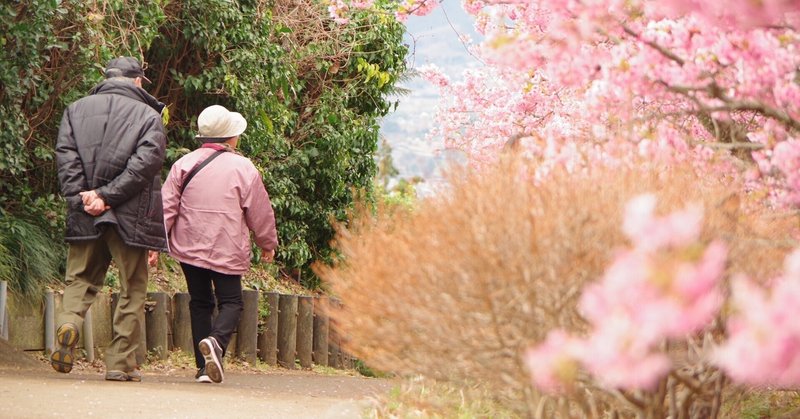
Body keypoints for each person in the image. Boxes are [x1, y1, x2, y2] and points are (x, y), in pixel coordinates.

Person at [51, 56, 168, 382]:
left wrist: (82, 197)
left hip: (86, 211)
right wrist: (109, 196)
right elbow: (145, 164)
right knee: (132, 287)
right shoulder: (149, 116)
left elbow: (66, 156)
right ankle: (119, 362)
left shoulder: (75, 109)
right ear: (138, 81)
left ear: (106, 77)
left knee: (80, 279)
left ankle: (69, 323)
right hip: (130, 215)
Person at [155, 105, 278, 384]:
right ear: (232, 138)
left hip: (189, 246)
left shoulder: (183, 164)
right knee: (232, 302)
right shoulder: (243, 168)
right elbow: (259, 211)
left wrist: (156, 245)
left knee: (200, 303)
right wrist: (267, 243)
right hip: (226, 247)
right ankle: (216, 342)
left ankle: (203, 369)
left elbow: (166, 208)